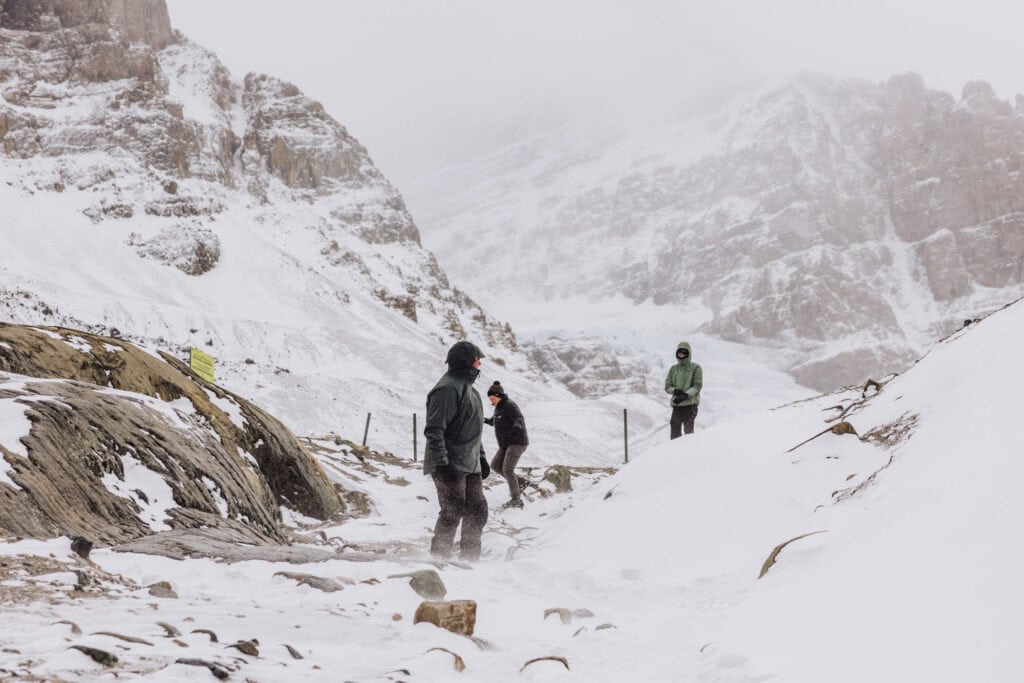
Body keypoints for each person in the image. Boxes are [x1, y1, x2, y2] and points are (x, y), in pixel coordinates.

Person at [423, 340, 489, 561]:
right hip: (450, 463)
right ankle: (439, 559)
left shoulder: (472, 392)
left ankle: (469, 559)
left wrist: (481, 458)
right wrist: (442, 462)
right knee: (453, 510)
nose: (479, 366)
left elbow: (473, 429)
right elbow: (434, 429)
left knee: (477, 510)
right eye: (477, 361)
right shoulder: (447, 389)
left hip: (469, 463)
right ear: (466, 363)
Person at [484, 381, 530, 509]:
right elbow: (494, 421)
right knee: (495, 465)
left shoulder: (510, 405)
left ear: (499, 396)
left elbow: (519, 417)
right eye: (490, 399)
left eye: (493, 398)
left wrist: (516, 426)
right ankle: (521, 482)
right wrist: (485, 420)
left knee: (507, 470)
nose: (491, 401)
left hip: (517, 442)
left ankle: (516, 500)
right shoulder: (498, 407)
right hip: (505, 444)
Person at [664, 341, 703, 439]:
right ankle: (675, 453)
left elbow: (697, 385)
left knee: (688, 433)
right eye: (679, 353)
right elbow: (667, 386)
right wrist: (675, 390)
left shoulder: (695, 368)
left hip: (690, 406)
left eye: (684, 352)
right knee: (674, 434)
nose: (681, 355)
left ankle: (690, 453)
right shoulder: (673, 369)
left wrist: (686, 395)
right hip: (677, 405)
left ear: (688, 353)